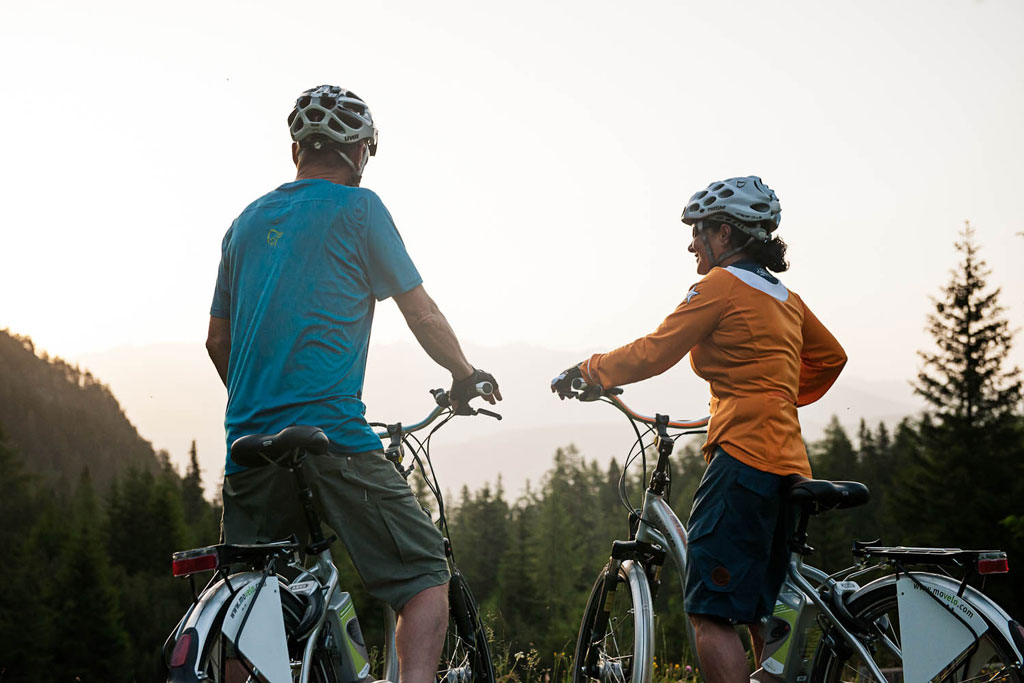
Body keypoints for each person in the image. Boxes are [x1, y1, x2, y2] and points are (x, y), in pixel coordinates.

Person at [206, 84, 500, 683]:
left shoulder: (244, 223)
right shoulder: (360, 211)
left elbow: (217, 342)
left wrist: (258, 408)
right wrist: (464, 375)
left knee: (248, 597)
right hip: (332, 434)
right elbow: (420, 312)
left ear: (296, 150)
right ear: (362, 152)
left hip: (249, 445)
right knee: (423, 577)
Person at [551, 176, 846, 682]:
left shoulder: (720, 286)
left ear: (726, 234)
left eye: (699, 231)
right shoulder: (786, 297)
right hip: (789, 460)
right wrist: (771, 395)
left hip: (743, 459)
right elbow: (830, 358)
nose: (692, 243)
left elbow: (656, 350)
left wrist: (589, 370)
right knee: (760, 604)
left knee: (709, 611)